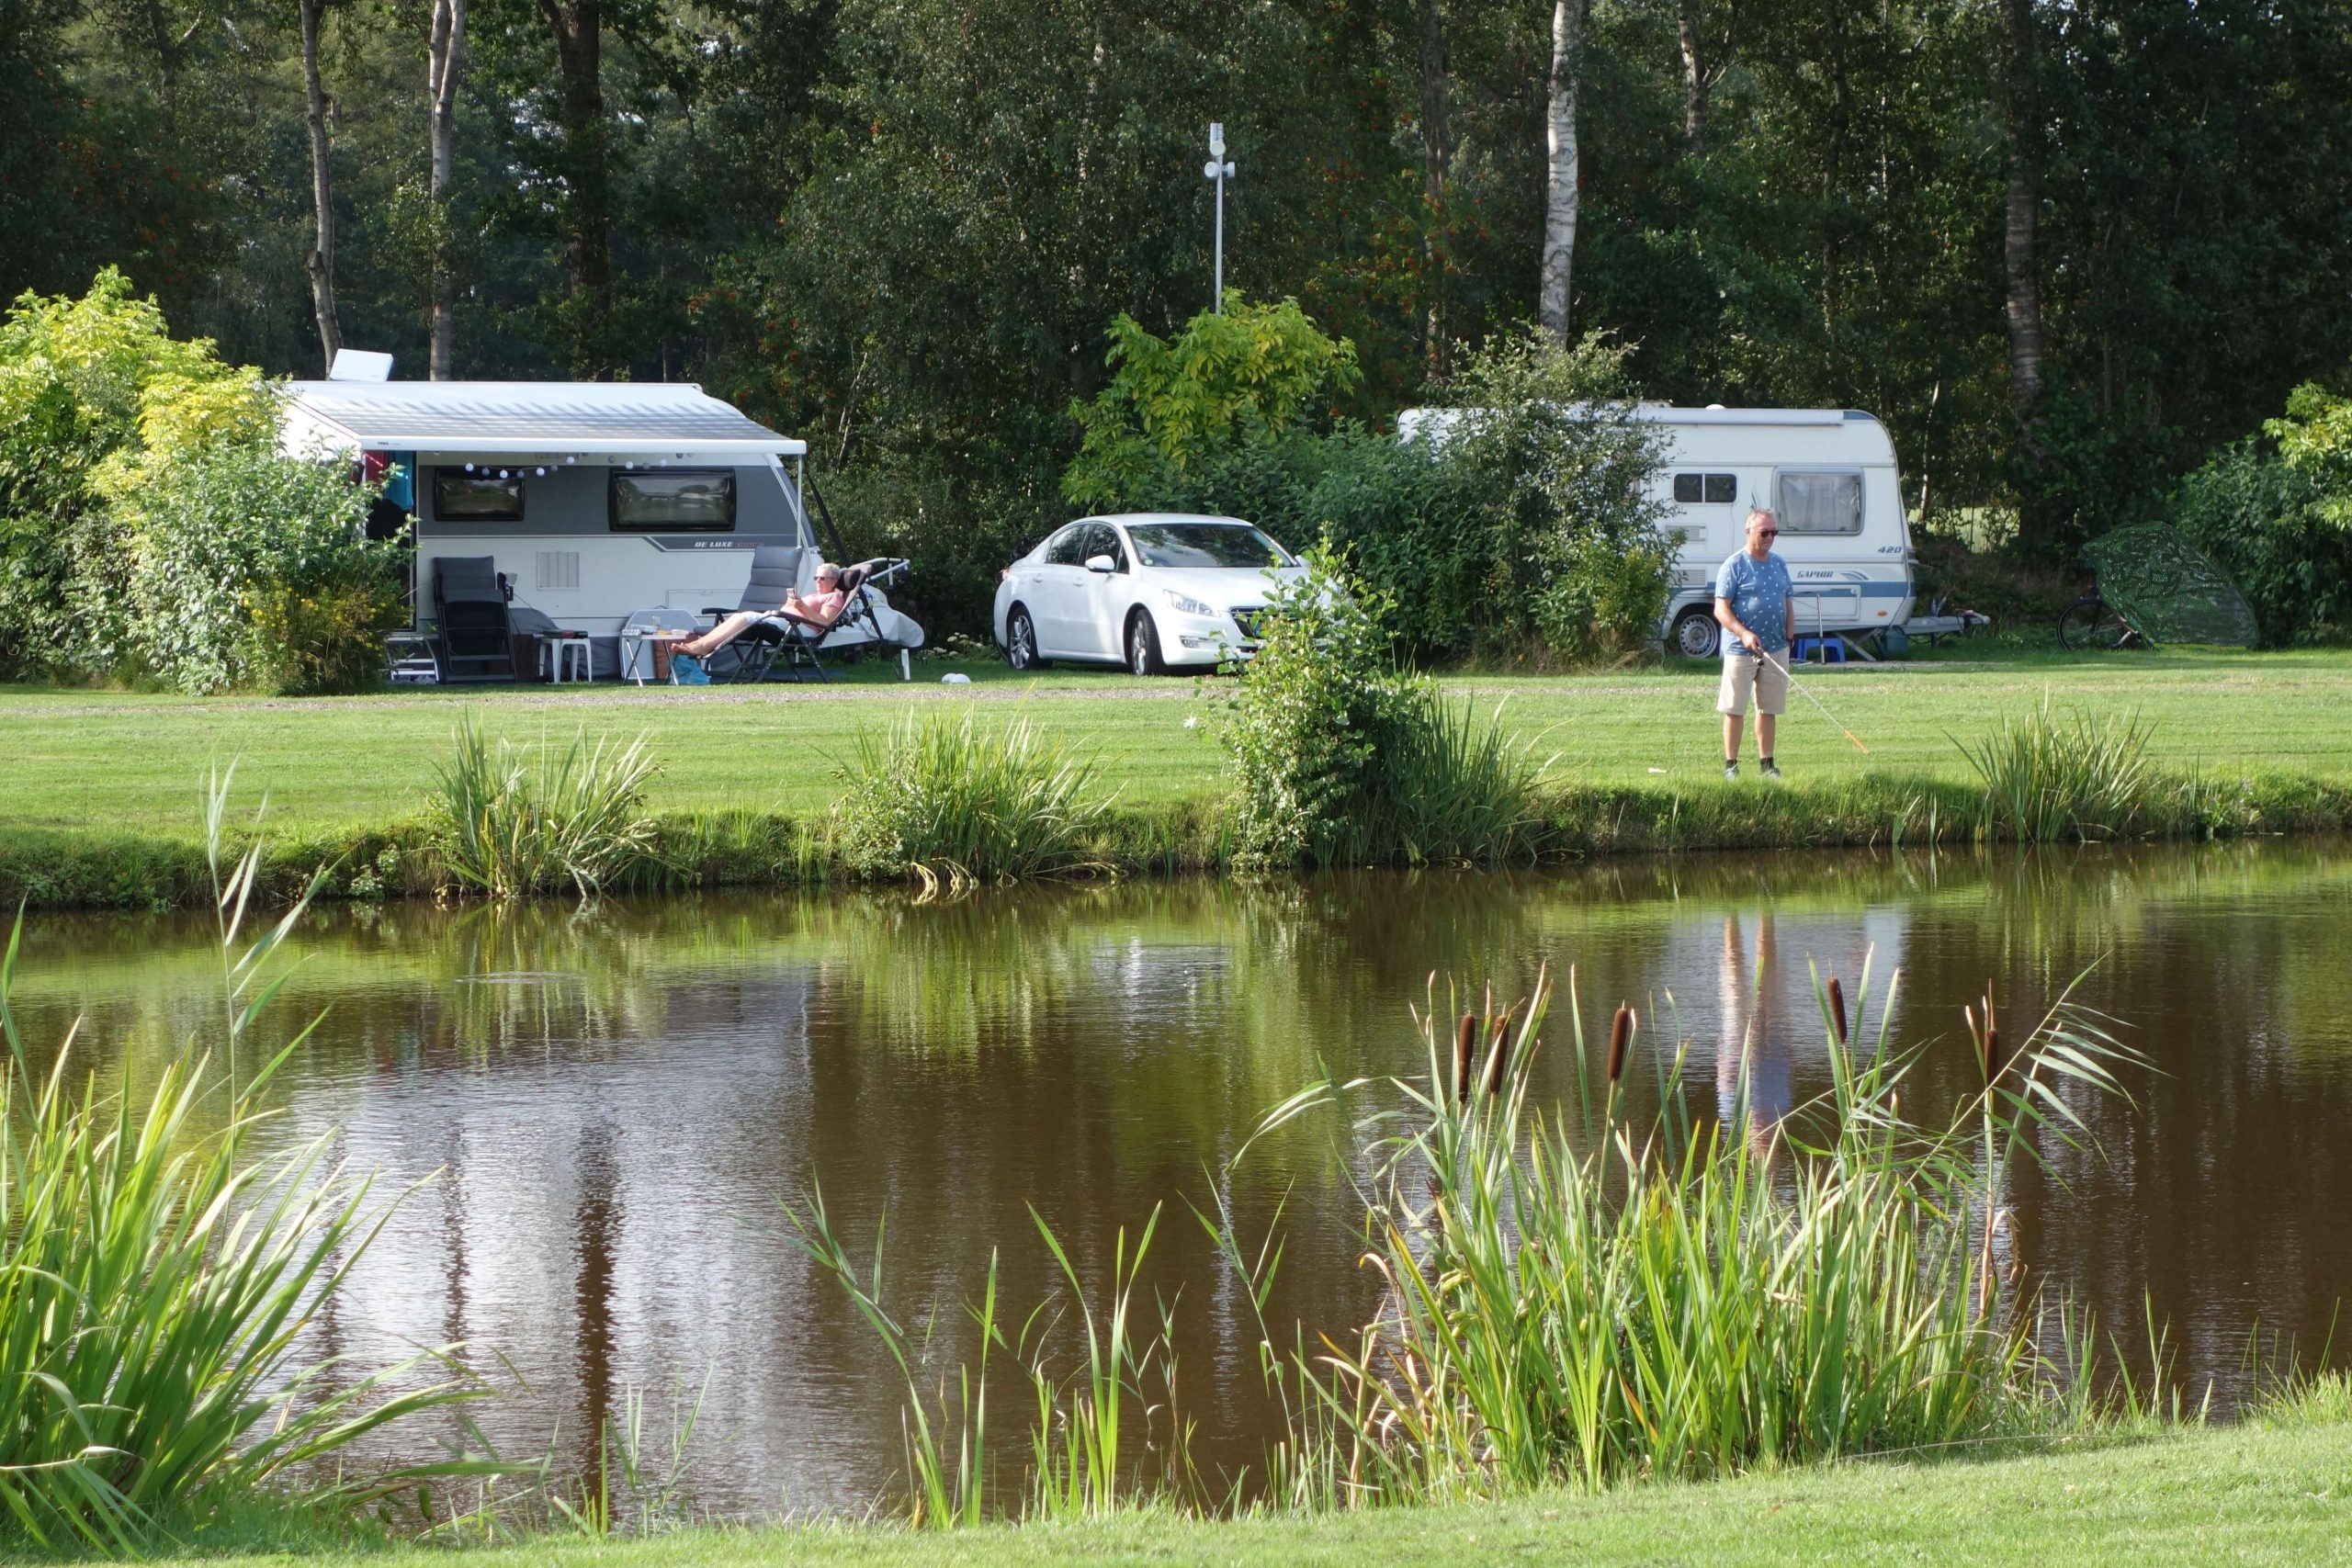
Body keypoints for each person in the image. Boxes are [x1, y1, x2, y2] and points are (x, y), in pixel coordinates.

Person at [1713, 508, 1794, 780]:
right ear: (1749, 532)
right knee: (1735, 708)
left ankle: (1767, 765)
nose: (1770, 537)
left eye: (1774, 532)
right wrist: (1744, 633)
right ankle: (1731, 766)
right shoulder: (1734, 565)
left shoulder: (1779, 564)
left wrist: (1789, 639)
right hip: (1740, 650)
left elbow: (1787, 603)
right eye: (1764, 532)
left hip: (1776, 648)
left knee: (1768, 708)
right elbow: (1721, 609)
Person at [671, 561, 849, 674]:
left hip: (800, 631)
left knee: (746, 617)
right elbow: (790, 611)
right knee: (740, 617)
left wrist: (801, 606)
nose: (817, 581)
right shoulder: (811, 596)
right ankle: (698, 645)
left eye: (822, 578)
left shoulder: (834, 597)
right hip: (785, 623)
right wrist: (790, 604)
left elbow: (825, 622)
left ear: (833, 581)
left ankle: (702, 646)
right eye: (816, 577)